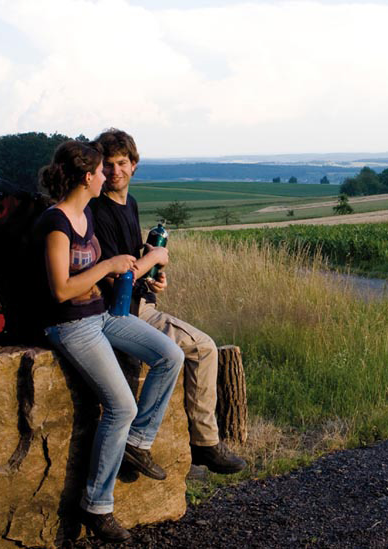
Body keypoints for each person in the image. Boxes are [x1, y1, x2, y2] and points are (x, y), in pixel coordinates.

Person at [35, 140, 184, 542]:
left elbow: (101, 276)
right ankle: (97, 506)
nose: (108, 176)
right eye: (102, 170)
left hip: (102, 315)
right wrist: (109, 265)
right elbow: (61, 290)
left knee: (171, 354)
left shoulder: (85, 216)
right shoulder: (57, 222)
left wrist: (133, 274)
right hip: (70, 325)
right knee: (121, 406)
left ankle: (138, 441)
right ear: (88, 176)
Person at [90, 128, 246, 474]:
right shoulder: (97, 211)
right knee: (203, 347)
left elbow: (133, 265)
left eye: (121, 163)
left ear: (134, 165)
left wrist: (154, 278)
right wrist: (159, 255)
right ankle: (204, 443)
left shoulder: (128, 204)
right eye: (108, 165)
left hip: (137, 301)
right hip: (121, 310)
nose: (115, 171)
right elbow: (115, 275)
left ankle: (150, 448)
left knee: (193, 347)